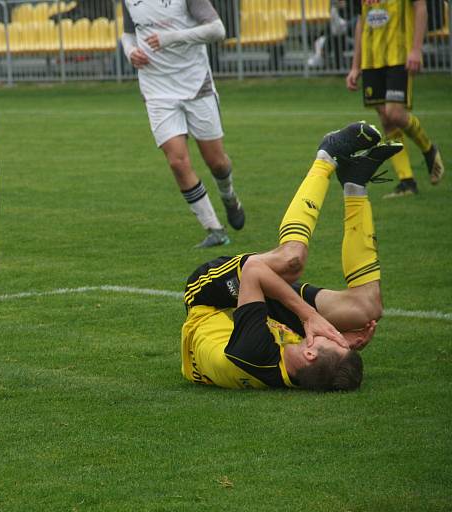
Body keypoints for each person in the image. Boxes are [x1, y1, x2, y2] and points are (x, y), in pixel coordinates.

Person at [181, 122, 402, 391]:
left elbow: (253, 271)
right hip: (253, 314)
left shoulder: (253, 353)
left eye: (331, 339)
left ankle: (326, 156)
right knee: (367, 309)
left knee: (291, 261)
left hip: (210, 301)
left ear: (309, 352)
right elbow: (323, 368)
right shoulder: (298, 371)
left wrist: (310, 317)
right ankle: (355, 184)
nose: (331, 332)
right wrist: (342, 338)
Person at [120, 0, 244, 248]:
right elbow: (128, 33)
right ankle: (214, 229)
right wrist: (130, 51)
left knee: (216, 162)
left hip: (196, 84)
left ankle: (229, 196)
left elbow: (217, 30)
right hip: (156, 89)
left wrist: (171, 38)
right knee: (177, 161)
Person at [346, 0, 444, 198]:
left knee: (395, 113)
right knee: (386, 118)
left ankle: (429, 149)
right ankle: (406, 182)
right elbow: (361, 21)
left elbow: (421, 6)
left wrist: (416, 49)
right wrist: (356, 65)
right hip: (372, 59)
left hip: (399, 55)